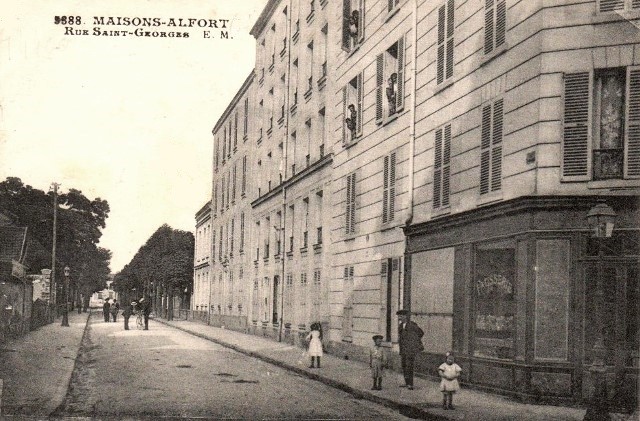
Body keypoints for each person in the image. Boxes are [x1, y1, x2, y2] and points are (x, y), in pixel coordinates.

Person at [396, 309, 424, 390]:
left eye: (401, 316)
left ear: (406, 316)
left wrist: (413, 342)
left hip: (410, 350)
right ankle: (406, 382)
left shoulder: (412, 325)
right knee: (404, 366)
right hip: (403, 350)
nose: (400, 317)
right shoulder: (401, 326)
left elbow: (421, 333)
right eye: (399, 316)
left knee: (409, 366)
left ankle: (410, 384)